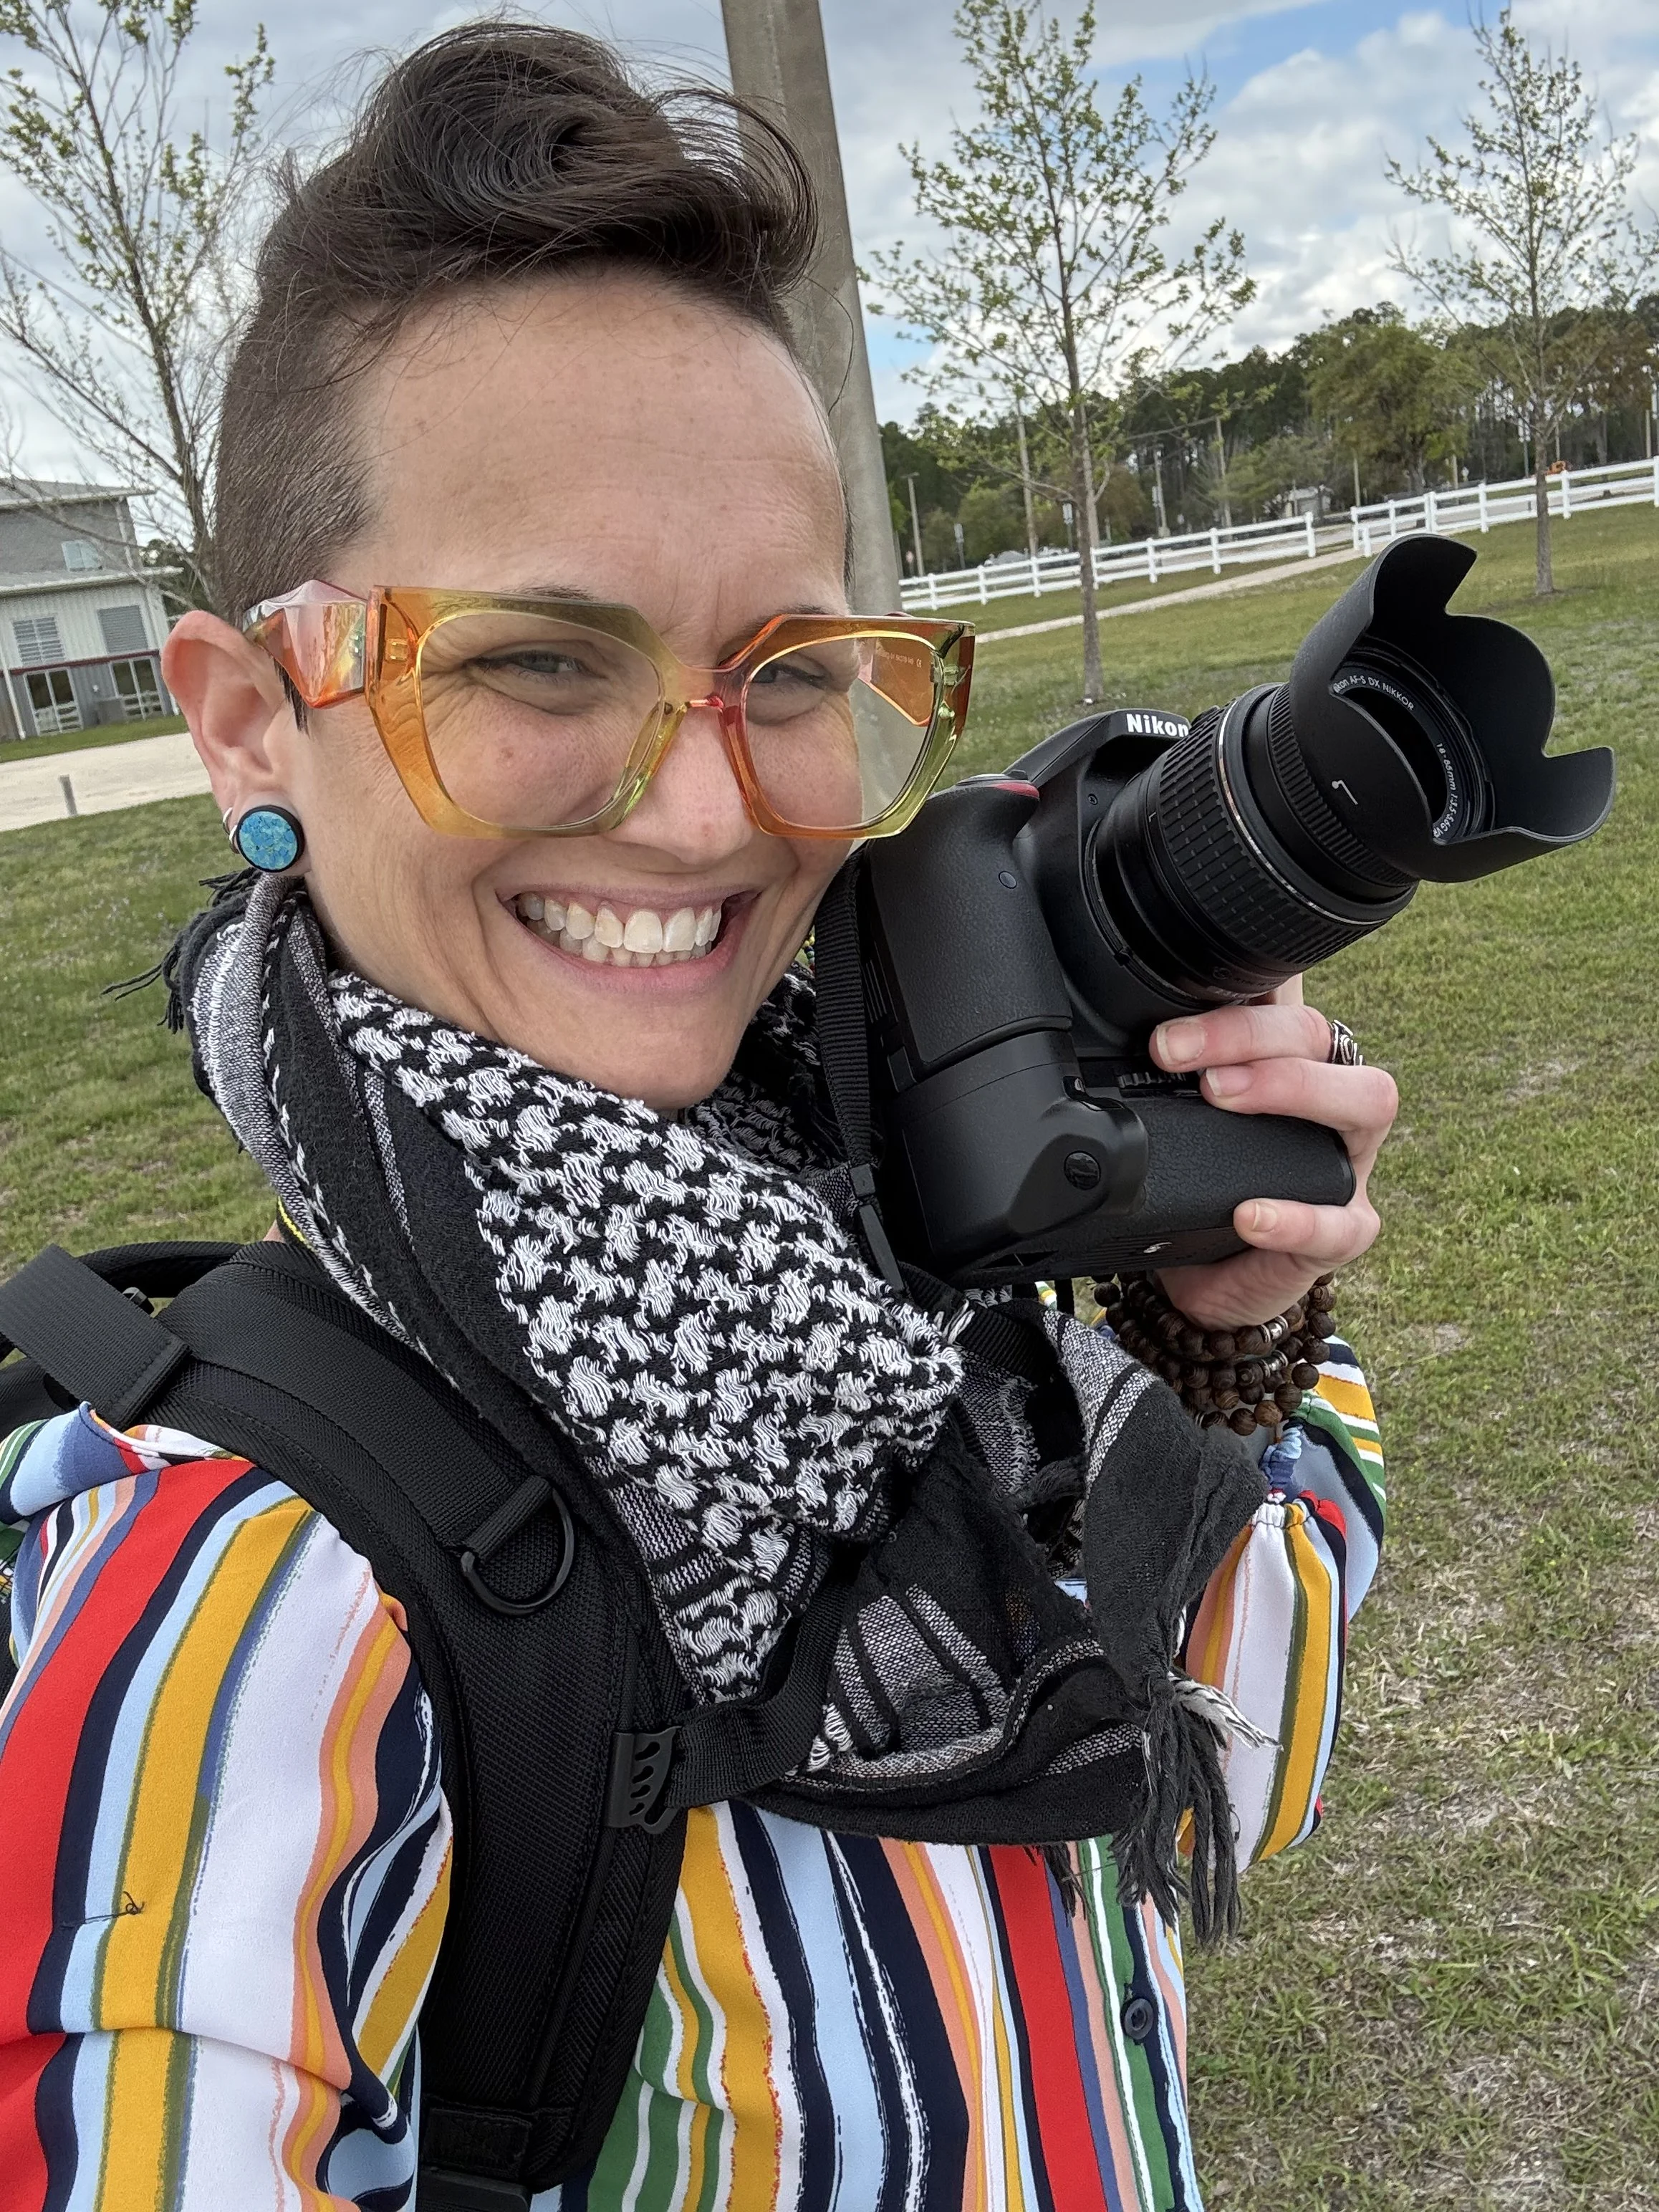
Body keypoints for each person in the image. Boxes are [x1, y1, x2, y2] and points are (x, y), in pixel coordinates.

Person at [0, 24, 1395, 2211]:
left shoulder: (902, 1300)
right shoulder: (242, 1595)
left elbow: (1224, 1763)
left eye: (785, 670)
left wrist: (1218, 1333)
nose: (699, 807)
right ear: (253, 725)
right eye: (541, 660)